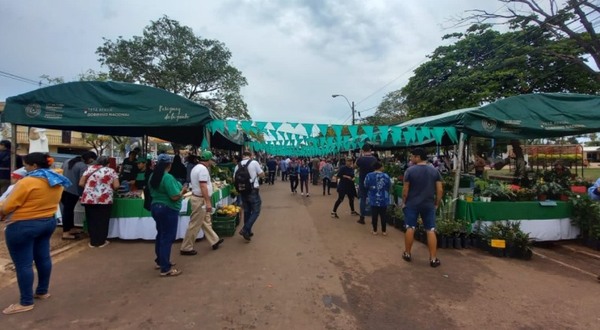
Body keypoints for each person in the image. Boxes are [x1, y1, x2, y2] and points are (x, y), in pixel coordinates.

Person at [0, 152, 71, 315]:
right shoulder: (57, 179)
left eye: (26, 165)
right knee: (43, 257)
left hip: (23, 225)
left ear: (34, 166)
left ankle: (25, 302)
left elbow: (8, 206)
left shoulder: (28, 182)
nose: (25, 168)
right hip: (47, 222)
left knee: (23, 264)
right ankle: (42, 291)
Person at [402, 148, 443, 268]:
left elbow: (405, 190)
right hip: (428, 204)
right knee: (430, 230)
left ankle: (408, 253)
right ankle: (433, 259)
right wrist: (436, 203)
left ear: (418, 157)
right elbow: (440, 190)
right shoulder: (435, 171)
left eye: (412, 156)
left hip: (412, 204)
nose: (410, 158)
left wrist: (404, 201)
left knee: (410, 227)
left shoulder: (409, 171)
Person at [148, 153, 188, 276]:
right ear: (169, 165)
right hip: (168, 209)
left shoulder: (152, 176)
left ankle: (160, 261)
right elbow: (174, 196)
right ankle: (165, 268)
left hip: (156, 207)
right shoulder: (167, 177)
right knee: (167, 237)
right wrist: (183, 191)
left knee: (161, 235)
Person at [180, 150, 224, 255]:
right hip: (200, 199)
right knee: (195, 224)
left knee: (205, 221)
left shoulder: (196, 168)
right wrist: (208, 202)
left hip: (199, 198)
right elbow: (203, 186)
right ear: (208, 160)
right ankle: (186, 247)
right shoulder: (203, 170)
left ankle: (214, 240)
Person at [79, 156, 120, 248]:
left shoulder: (89, 169)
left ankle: (93, 241)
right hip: (104, 199)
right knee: (103, 220)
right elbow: (117, 185)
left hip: (89, 198)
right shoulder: (111, 171)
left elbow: (81, 183)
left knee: (91, 219)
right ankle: (101, 241)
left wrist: (91, 188)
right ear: (107, 163)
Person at [60, 151, 97, 240]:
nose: (91, 163)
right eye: (92, 161)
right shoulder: (82, 166)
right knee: (68, 211)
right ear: (90, 159)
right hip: (73, 191)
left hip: (62, 190)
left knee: (68, 210)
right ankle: (66, 232)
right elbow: (82, 181)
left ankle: (71, 228)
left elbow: (61, 172)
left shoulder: (67, 161)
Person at [234, 151, 265, 241]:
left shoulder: (238, 165)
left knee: (247, 211)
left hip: (243, 191)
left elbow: (234, 179)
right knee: (256, 211)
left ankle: (248, 232)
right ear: (250, 156)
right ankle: (245, 229)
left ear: (243, 156)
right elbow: (262, 174)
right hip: (252, 190)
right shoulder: (254, 162)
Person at [364, 161, 392, 236]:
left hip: (373, 197)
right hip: (384, 198)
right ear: (380, 167)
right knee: (383, 215)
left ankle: (375, 230)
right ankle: (384, 231)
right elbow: (389, 185)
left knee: (374, 214)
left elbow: (365, 185)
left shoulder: (369, 175)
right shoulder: (386, 176)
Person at [355, 144, 378, 224]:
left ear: (363, 150)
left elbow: (355, 166)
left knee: (363, 199)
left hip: (363, 181)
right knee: (373, 198)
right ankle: (373, 217)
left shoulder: (360, 159)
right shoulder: (374, 159)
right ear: (370, 150)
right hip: (373, 181)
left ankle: (362, 217)